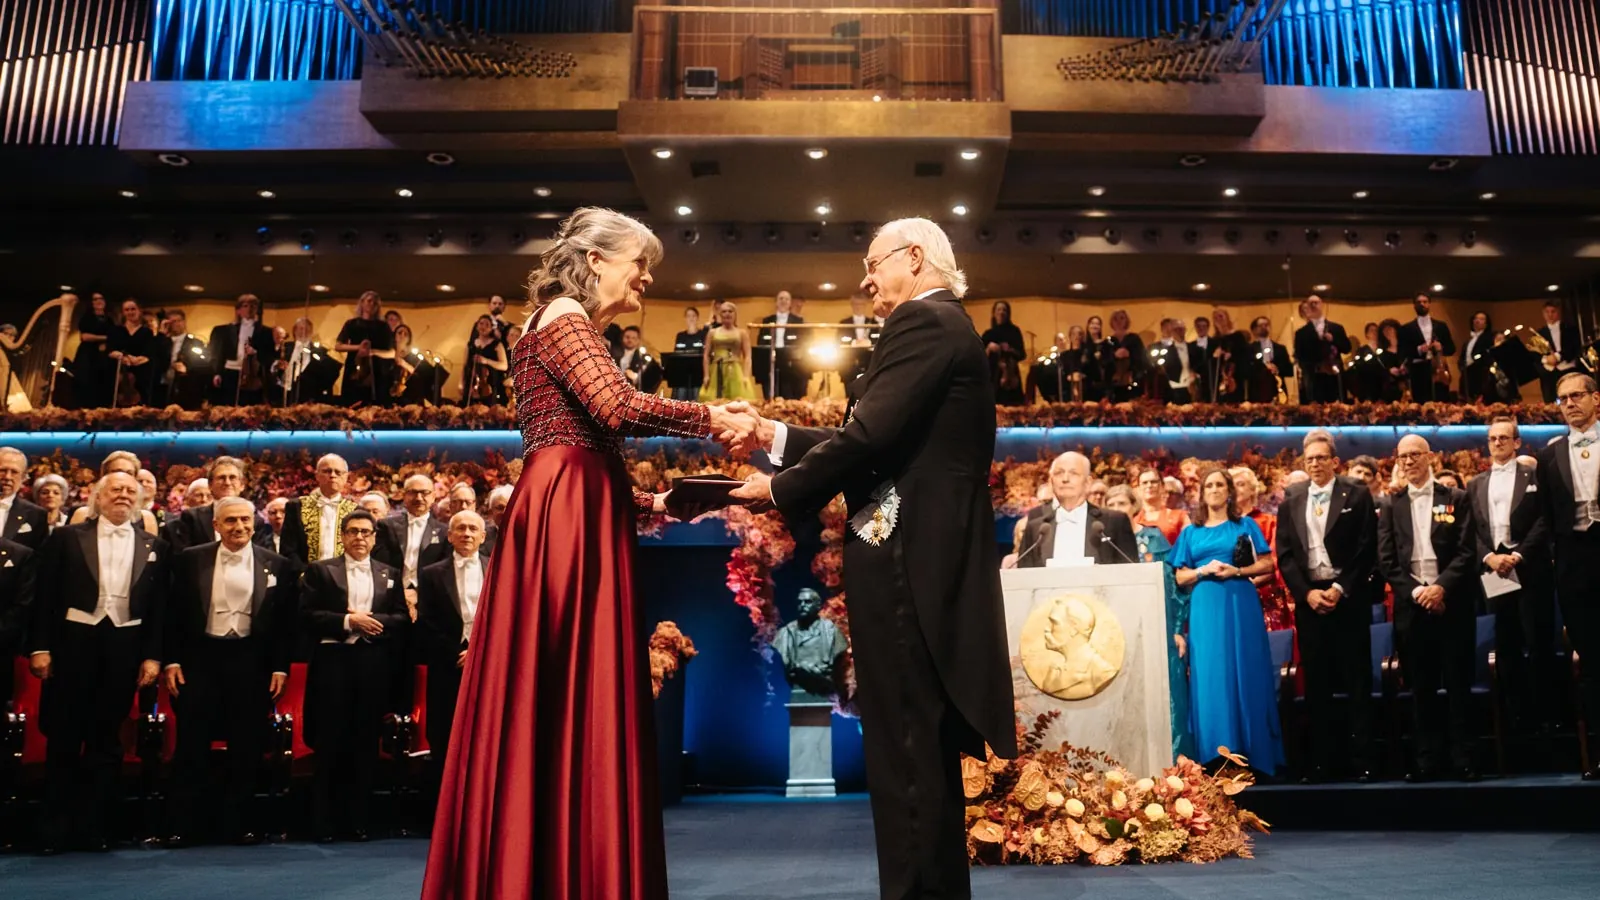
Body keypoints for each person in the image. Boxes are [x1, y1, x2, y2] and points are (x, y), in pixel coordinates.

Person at [422, 207, 755, 899]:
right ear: (597, 259)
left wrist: (659, 505)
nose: (646, 277)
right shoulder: (566, 312)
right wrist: (711, 416)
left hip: (574, 504)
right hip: (568, 511)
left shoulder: (564, 324)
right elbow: (614, 409)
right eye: (639, 261)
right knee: (569, 689)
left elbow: (576, 445)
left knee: (550, 693)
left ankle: (544, 864)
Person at [730, 217, 1016, 900]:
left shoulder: (923, 324)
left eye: (872, 263)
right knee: (919, 760)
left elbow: (868, 435)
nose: (865, 279)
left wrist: (778, 487)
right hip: (919, 568)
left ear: (915, 258)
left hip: (906, 571)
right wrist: (769, 433)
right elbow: (880, 442)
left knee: (908, 761)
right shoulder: (947, 327)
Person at [29, 471, 167, 853]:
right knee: (65, 737)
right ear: (98, 497)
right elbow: (44, 597)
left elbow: (159, 608)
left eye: (129, 491)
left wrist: (153, 656)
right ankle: (54, 831)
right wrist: (41, 646)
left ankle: (95, 829)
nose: (122, 496)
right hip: (73, 643)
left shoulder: (155, 544)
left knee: (107, 741)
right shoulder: (66, 538)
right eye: (115, 490)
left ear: (139, 500)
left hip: (125, 646)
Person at [161, 497, 295, 846]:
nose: (239, 527)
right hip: (200, 659)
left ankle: (242, 825)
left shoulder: (277, 564)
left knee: (247, 746)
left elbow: (284, 624)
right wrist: (172, 660)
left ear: (255, 523)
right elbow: (172, 614)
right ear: (216, 525)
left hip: (251, 661)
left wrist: (280, 666)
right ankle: (185, 827)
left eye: (245, 520)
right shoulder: (191, 559)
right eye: (231, 520)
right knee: (192, 743)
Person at [1275, 430, 1379, 782]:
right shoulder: (1292, 498)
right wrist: (1306, 593)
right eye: (1309, 459)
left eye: (1321, 458)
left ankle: (1363, 759)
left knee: (1357, 680)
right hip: (1310, 600)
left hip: (1346, 597)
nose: (1315, 464)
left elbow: (1367, 547)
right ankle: (1322, 763)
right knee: (1317, 684)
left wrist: (1339, 587)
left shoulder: (1357, 493)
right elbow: (1286, 555)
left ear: (1335, 461)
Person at [299, 508, 407, 841]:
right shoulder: (320, 570)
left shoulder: (389, 572)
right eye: (353, 531)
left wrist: (370, 621)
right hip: (333, 662)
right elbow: (305, 614)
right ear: (343, 536)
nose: (359, 537)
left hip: (373, 663)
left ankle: (358, 822)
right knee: (330, 743)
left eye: (366, 532)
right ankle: (322, 823)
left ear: (375, 538)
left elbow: (401, 618)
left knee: (364, 744)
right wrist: (347, 622)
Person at [1379, 434, 1478, 781]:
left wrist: (1440, 589)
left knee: (1457, 683)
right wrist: (1419, 593)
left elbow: (1468, 552)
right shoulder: (1391, 504)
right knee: (1420, 687)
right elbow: (1387, 561)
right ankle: (1426, 761)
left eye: (1415, 455)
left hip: (1451, 603)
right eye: (1402, 456)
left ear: (1430, 457)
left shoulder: (1456, 498)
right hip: (1412, 606)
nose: (1408, 462)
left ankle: (1463, 758)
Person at [1170, 467, 1282, 774]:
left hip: (1240, 602)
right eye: (1209, 485)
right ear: (1202, 493)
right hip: (1205, 605)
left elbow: (1267, 563)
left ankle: (1252, 754)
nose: (1215, 490)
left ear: (1229, 491)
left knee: (1246, 670)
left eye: (1220, 484)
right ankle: (1214, 756)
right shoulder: (1190, 532)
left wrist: (1237, 572)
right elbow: (1179, 576)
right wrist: (1203, 570)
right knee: (1210, 674)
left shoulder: (1244, 525)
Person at [1469, 416, 1555, 734]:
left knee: (1539, 641)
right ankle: (1516, 716)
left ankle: (1547, 716)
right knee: (1507, 643)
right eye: (1493, 438)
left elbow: (1546, 519)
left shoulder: (1535, 475)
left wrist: (1518, 555)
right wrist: (1490, 557)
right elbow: (1473, 531)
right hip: (1496, 571)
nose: (1498, 443)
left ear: (1517, 442)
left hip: (1530, 567)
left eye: (1504, 438)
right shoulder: (1476, 483)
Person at [1535, 372, 1600, 779]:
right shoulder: (1550, 454)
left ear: (1596, 398)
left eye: (1577, 395)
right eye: (1562, 399)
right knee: (1592, 663)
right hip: (1575, 564)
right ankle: (1597, 754)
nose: (1570, 403)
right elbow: (1545, 516)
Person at [1103, 484, 1193, 760]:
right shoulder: (1100, 541)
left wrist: (1177, 629)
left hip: (1155, 627)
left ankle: (1174, 764)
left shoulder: (1152, 538)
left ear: (1135, 508)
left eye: (1121, 503)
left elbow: (1172, 586)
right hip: (1113, 632)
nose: (1116, 509)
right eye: (1111, 504)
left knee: (1165, 696)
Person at [415, 510, 488, 806]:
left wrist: (478, 653)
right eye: (460, 528)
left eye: (473, 529)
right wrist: (456, 653)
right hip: (447, 667)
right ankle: (444, 810)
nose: (467, 534)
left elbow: (507, 618)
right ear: (449, 535)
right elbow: (427, 623)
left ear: (483, 537)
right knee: (444, 736)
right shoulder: (432, 574)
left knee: (485, 738)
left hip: (487, 668)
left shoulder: (498, 569)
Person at [1015, 451, 1137, 567]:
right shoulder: (1037, 525)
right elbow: (1023, 574)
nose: (1065, 479)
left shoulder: (1115, 521)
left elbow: (1131, 573)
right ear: (1051, 482)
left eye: (1073, 473)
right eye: (1059, 473)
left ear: (1088, 482)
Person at [375, 473, 450, 610]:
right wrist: (399, 593)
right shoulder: (386, 526)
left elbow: (444, 571)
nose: (419, 498)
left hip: (430, 601)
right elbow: (380, 565)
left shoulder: (445, 532)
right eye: (413, 493)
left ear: (433, 496)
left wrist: (418, 592)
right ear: (404, 496)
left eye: (424, 493)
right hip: (390, 598)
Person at [1231, 466, 1291, 632]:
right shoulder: (1222, 525)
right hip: (1231, 596)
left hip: (1265, 598)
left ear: (1252, 490)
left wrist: (1248, 582)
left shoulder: (1269, 521)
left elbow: (1275, 561)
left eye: (1240, 484)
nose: (1235, 489)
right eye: (1232, 485)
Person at [278, 454, 358, 566]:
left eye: (338, 472)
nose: (332, 476)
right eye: (327, 471)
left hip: (344, 578)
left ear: (346, 477)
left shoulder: (355, 510)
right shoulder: (297, 506)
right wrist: (303, 576)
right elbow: (288, 549)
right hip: (305, 578)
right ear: (317, 475)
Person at [163, 456, 247, 554]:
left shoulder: (256, 521)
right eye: (221, 478)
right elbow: (183, 558)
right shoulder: (192, 518)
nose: (227, 482)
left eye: (232, 478)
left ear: (242, 485)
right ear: (210, 485)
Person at [208, 294, 276, 406]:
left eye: (253, 306)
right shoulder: (222, 330)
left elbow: (269, 355)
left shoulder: (266, 332)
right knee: (228, 405)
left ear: (257, 310)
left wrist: (255, 353)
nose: (249, 309)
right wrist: (217, 373)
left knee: (248, 406)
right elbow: (217, 353)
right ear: (238, 310)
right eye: (245, 306)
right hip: (230, 372)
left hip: (252, 375)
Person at [335, 291, 396, 406]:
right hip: (354, 368)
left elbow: (392, 352)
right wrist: (358, 347)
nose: (372, 304)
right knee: (352, 402)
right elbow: (338, 346)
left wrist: (372, 352)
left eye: (375, 303)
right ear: (362, 303)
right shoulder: (351, 324)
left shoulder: (383, 327)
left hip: (376, 371)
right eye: (369, 301)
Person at [1398, 293, 1456, 403]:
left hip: (1438, 368)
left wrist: (1441, 347)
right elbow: (1402, 351)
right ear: (1414, 305)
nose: (1422, 304)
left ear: (1429, 304)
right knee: (1420, 401)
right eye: (1419, 302)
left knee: (1440, 400)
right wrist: (1418, 350)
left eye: (1425, 302)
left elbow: (1451, 349)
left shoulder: (1441, 326)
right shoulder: (1406, 329)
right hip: (1418, 369)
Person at [1294, 294, 1352, 403]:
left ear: (1322, 305)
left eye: (1316, 302)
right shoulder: (1301, 333)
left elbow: (1347, 348)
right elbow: (1300, 356)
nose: (1314, 305)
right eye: (1311, 304)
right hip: (1314, 378)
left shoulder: (1336, 328)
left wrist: (1333, 339)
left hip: (1335, 377)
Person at [700, 301, 760, 401]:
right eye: (724, 311)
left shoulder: (742, 333)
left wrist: (746, 375)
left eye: (730, 311)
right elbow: (706, 355)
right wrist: (706, 375)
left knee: (738, 400)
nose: (727, 314)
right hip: (717, 370)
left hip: (735, 371)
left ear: (735, 314)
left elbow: (748, 356)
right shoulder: (712, 333)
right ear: (720, 314)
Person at [107, 298, 159, 406]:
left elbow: (149, 353)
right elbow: (110, 350)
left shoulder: (147, 332)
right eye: (127, 310)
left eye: (133, 309)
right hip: (120, 371)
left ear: (139, 311)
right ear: (123, 312)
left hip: (141, 372)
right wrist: (120, 356)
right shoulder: (115, 330)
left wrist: (136, 360)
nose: (130, 312)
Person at [757, 290, 808, 399]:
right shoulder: (767, 320)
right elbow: (761, 342)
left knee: (789, 394)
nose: (783, 301)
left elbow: (803, 342)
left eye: (786, 299)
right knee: (771, 393)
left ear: (790, 303)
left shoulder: (798, 321)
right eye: (781, 298)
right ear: (776, 302)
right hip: (771, 362)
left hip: (791, 364)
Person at [156, 309, 207, 409]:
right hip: (164, 385)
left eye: (179, 320)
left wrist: (187, 368)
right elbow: (155, 357)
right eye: (173, 321)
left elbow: (203, 365)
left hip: (186, 386)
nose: (177, 324)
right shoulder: (162, 341)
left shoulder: (196, 342)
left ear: (184, 322)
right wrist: (161, 333)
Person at [0, 446, 49, 550]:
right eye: (3, 470)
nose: (7, 477)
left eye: (14, 472)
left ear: (23, 477)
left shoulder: (36, 515)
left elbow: (39, 558)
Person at [71, 293, 113, 408]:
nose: (99, 301)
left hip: (103, 357)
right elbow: (85, 337)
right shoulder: (87, 318)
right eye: (95, 299)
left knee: (102, 387)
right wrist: (105, 338)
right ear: (92, 303)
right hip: (87, 356)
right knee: (85, 384)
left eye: (101, 298)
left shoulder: (110, 320)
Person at [981, 300, 1026, 405]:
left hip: (1010, 375)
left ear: (1008, 313)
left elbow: (1022, 354)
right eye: (999, 309)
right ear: (994, 313)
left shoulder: (1014, 331)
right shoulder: (988, 334)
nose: (1001, 312)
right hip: (993, 377)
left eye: (1004, 310)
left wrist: (1009, 349)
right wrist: (988, 348)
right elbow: (979, 358)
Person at [1537, 300, 1581, 403]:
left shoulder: (1570, 329)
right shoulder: (1539, 333)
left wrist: (1557, 356)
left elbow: (1574, 347)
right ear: (1543, 314)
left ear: (1558, 312)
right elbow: (1535, 355)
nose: (1550, 315)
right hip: (1549, 373)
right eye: (1547, 312)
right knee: (1551, 401)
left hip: (1568, 369)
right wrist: (1546, 359)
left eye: (1553, 311)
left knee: (1572, 398)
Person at [460, 315, 509, 406]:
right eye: (481, 324)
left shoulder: (497, 344)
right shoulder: (470, 344)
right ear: (477, 326)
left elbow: (504, 366)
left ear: (491, 328)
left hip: (491, 384)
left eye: (487, 325)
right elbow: (465, 365)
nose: (483, 327)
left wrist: (486, 361)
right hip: (471, 383)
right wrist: (461, 383)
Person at [1134, 467, 1190, 545]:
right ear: (1138, 489)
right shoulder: (1134, 521)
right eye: (1144, 483)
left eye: (1153, 482)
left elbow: (1190, 545)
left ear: (1162, 486)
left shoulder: (1180, 517)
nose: (1149, 485)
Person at [1242, 315, 1289, 403]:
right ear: (1254, 330)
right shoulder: (1248, 349)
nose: (1264, 327)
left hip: (1277, 388)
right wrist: (1263, 368)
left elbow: (1288, 369)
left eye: (1266, 325)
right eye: (1261, 325)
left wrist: (1277, 368)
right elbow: (1246, 371)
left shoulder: (1280, 348)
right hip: (1257, 389)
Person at [670, 306, 711, 401]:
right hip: (682, 376)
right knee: (681, 401)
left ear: (697, 318)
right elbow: (676, 355)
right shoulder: (680, 336)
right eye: (688, 316)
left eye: (693, 316)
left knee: (697, 401)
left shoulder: (703, 335)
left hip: (699, 375)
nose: (691, 318)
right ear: (685, 318)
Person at [1106, 309, 1146, 402]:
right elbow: (1105, 361)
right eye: (1115, 319)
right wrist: (1114, 355)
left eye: (1122, 318)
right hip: (1114, 384)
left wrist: (1129, 355)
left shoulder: (1134, 338)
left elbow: (1142, 358)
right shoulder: (1108, 341)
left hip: (1131, 381)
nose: (1119, 321)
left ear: (1126, 320)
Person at [1208, 308, 1246, 403]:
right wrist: (1214, 356)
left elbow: (1245, 355)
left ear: (1227, 318)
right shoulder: (1214, 340)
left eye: (1221, 316)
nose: (1218, 319)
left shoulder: (1238, 336)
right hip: (1219, 380)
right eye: (1215, 318)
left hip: (1234, 377)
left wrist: (1232, 356)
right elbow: (1209, 364)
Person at [1458, 311, 1496, 402]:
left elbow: (1487, 357)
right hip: (1467, 376)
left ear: (1486, 324)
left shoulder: (1489, 338)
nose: (1477, 321)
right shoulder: (1468, 341)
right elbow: (1462, 357)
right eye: (1476, 318)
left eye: (1481, 319)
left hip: (1480, 375)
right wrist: (1462, 366)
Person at [1082, 314, 1111, 401]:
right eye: (1092, 323)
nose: (1095, 326)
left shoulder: (1106, 344)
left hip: (1103, 384)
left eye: (1097, 324)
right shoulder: (1083, 345)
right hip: (1087, 385)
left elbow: (1110, 363)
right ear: (1088, 326)